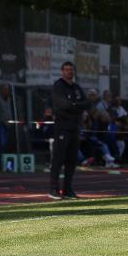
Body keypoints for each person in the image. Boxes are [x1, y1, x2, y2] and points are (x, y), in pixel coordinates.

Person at [50, 61, 90, 200]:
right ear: (62, 71)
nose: (69, 72)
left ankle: (68, 189)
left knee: (72, 160)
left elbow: (86, 103)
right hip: (62, 127)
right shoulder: (58, 86)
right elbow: (63, 104)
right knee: (58, 158)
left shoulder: (77, 88)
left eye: (71, 70)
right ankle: (53, 189)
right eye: (67, 70)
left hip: (75, 128)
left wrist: (74, 106)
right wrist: (76, 107)